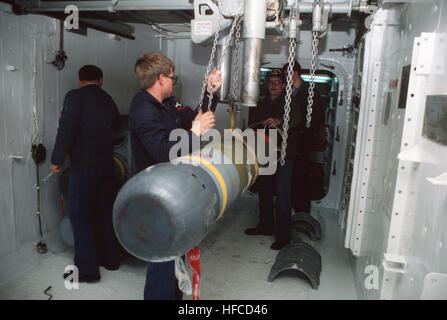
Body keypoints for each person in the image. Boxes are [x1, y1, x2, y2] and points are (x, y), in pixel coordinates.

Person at [129, 52, 222, 300]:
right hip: (155, 196)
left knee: (176, 258)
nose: (175, 81)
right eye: (173, 77)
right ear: (161, 79)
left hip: (173, 190)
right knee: (162, 260)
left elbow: (198, 117)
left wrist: (211, 91)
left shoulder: (169, 104)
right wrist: (194, 133)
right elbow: (163, 151)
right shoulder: (142, 111)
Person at [50, 65, 121, 283]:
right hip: (106, 167)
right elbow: (117, 128)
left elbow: (66, 129)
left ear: (80, 80)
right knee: (104, 212)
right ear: (101, 80)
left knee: (81, 217)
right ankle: (110, 260)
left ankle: (89, 271)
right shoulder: (108, 99)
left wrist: (56, 159)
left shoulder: (74, 97)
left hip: (82, 168)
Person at [244, 69, 299, 250]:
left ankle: (284, 237)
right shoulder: (261, 104)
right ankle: (265, 226)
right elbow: (253, 125)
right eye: (271, 82)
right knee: (265, 190)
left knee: (282, 195)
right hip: (265, 153)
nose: (274, 85)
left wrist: (279, 120)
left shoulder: (292, 102)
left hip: (283, 154)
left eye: (278, 82)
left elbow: (295, 119)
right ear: (267, 86)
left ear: (284, 86)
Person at [282, 61, 326, 214]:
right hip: (288, 143)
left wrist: (303, 130)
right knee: (289, 176)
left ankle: (301, 211)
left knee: (301, 176)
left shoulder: (310, 91)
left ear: (294, 73)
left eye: (286, 74)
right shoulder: (287, 92)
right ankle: (290, 209)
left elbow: (318, 115)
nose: (285, 77)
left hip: (303, 142)